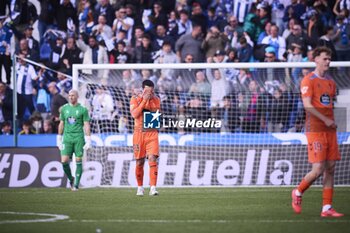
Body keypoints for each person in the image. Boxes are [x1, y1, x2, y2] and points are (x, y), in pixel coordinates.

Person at [291, 47, 344, 217]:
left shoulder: (331, 83)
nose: (328, 61)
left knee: (331, 168)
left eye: (329, 59)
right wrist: (326, 119)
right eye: (325, 59)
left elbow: (328, 105)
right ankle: (298, 192)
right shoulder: (308, 80)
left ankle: (327, 207)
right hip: (315, 130)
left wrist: (332, 121)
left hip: (330, 131)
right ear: (316, 60)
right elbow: (307, 105)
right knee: (318, 168)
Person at [130, 80, 160, 196]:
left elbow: (153, 117)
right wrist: (143, 101)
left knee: (152, 158)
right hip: (138, 133)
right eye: (148, 91)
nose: (150, 93)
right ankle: (140, 187)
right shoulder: (134, 99)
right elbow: (135, 114)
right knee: (139, 162)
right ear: (143, 90)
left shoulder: (157, 100)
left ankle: (153, 188)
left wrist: (147, 100)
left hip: (152, 132)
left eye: (152, 91)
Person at [57, 90, 91, 191]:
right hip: (67, 138)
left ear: (77, 97)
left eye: (73, 95)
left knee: (78, 160)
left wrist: (88, 139)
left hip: (78, 138)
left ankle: (76, 185)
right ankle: (71, 178)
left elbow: (86, 124)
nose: (71, 97)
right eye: (69, 95)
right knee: (64, 161)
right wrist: (59, 138)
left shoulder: (83, 109)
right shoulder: (64, 109)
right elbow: (61, 123)